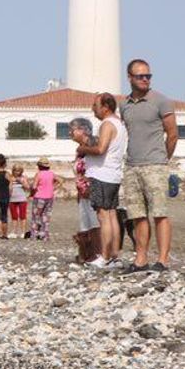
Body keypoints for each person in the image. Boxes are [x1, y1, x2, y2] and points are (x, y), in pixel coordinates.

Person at [120, 60, 178, 272]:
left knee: (159, 213)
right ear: (130, 78)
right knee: (137, 215)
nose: (145, 79)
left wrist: (163, 158)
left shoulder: (161, 101)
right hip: (132, 165)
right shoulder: (123, 105)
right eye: (140, 76)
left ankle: (163, 259)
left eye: (148, 76)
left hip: (155, 164)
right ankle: (141, 258)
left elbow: (172, 134)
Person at [77, 92, 127, 269]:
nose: (93, 109)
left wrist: (83, 148)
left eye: (95, 106)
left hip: (102, 174)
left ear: (105, 107)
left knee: (103, 216)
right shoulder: (119, 124)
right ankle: (114, 256)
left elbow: (100, 149)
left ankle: (105, 256)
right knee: (112, 214)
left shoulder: (107, 124)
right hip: (113, 175)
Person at [68, 119, 101, 260]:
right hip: (83, 193)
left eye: (72, 129)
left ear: (83, 130)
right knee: (86, 224)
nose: (70, 133)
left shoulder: (91, 146)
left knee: (95, 224)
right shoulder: (80, 150)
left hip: (92, 191)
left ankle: (98, 254)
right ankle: (88, 254)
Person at [29, 158, 56, 240]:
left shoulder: (39, 174)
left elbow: (34, 186)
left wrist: (31, 192)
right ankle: (45, 235)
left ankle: (34, 234)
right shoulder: (51, 174)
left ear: (39, 166)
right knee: (46, 217)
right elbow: (60, 180)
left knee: (36, 216)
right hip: (49, 197)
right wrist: (53, 188)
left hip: (39, 196)